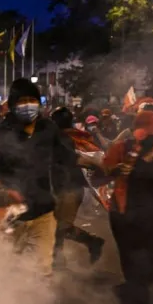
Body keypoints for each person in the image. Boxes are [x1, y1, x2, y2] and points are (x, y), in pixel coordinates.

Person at [0, 79, 99, 276]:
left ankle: (34, 303)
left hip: (43, 212)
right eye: (22, 101)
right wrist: (1, 191)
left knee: (41, 271)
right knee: (6, 269)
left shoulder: (47, 128)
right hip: (10, 214)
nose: (27, 105)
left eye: (31, 100)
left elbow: (67, 155)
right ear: (12, 104)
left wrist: (99, 164)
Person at [102, 111, 153, 304]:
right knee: (137, 272)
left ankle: (132, 293)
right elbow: (105, 170)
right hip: (127, 218)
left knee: (147, 271)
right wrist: (121, 165)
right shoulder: (124, 148)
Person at [49, 107, 105, 266]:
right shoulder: (75, 137)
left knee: (59, 227)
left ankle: (89, 243)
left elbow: (72, 160)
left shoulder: (62, 138)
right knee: (56, 226)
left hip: (69, 189)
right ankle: (59, 260)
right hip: (65, 188)